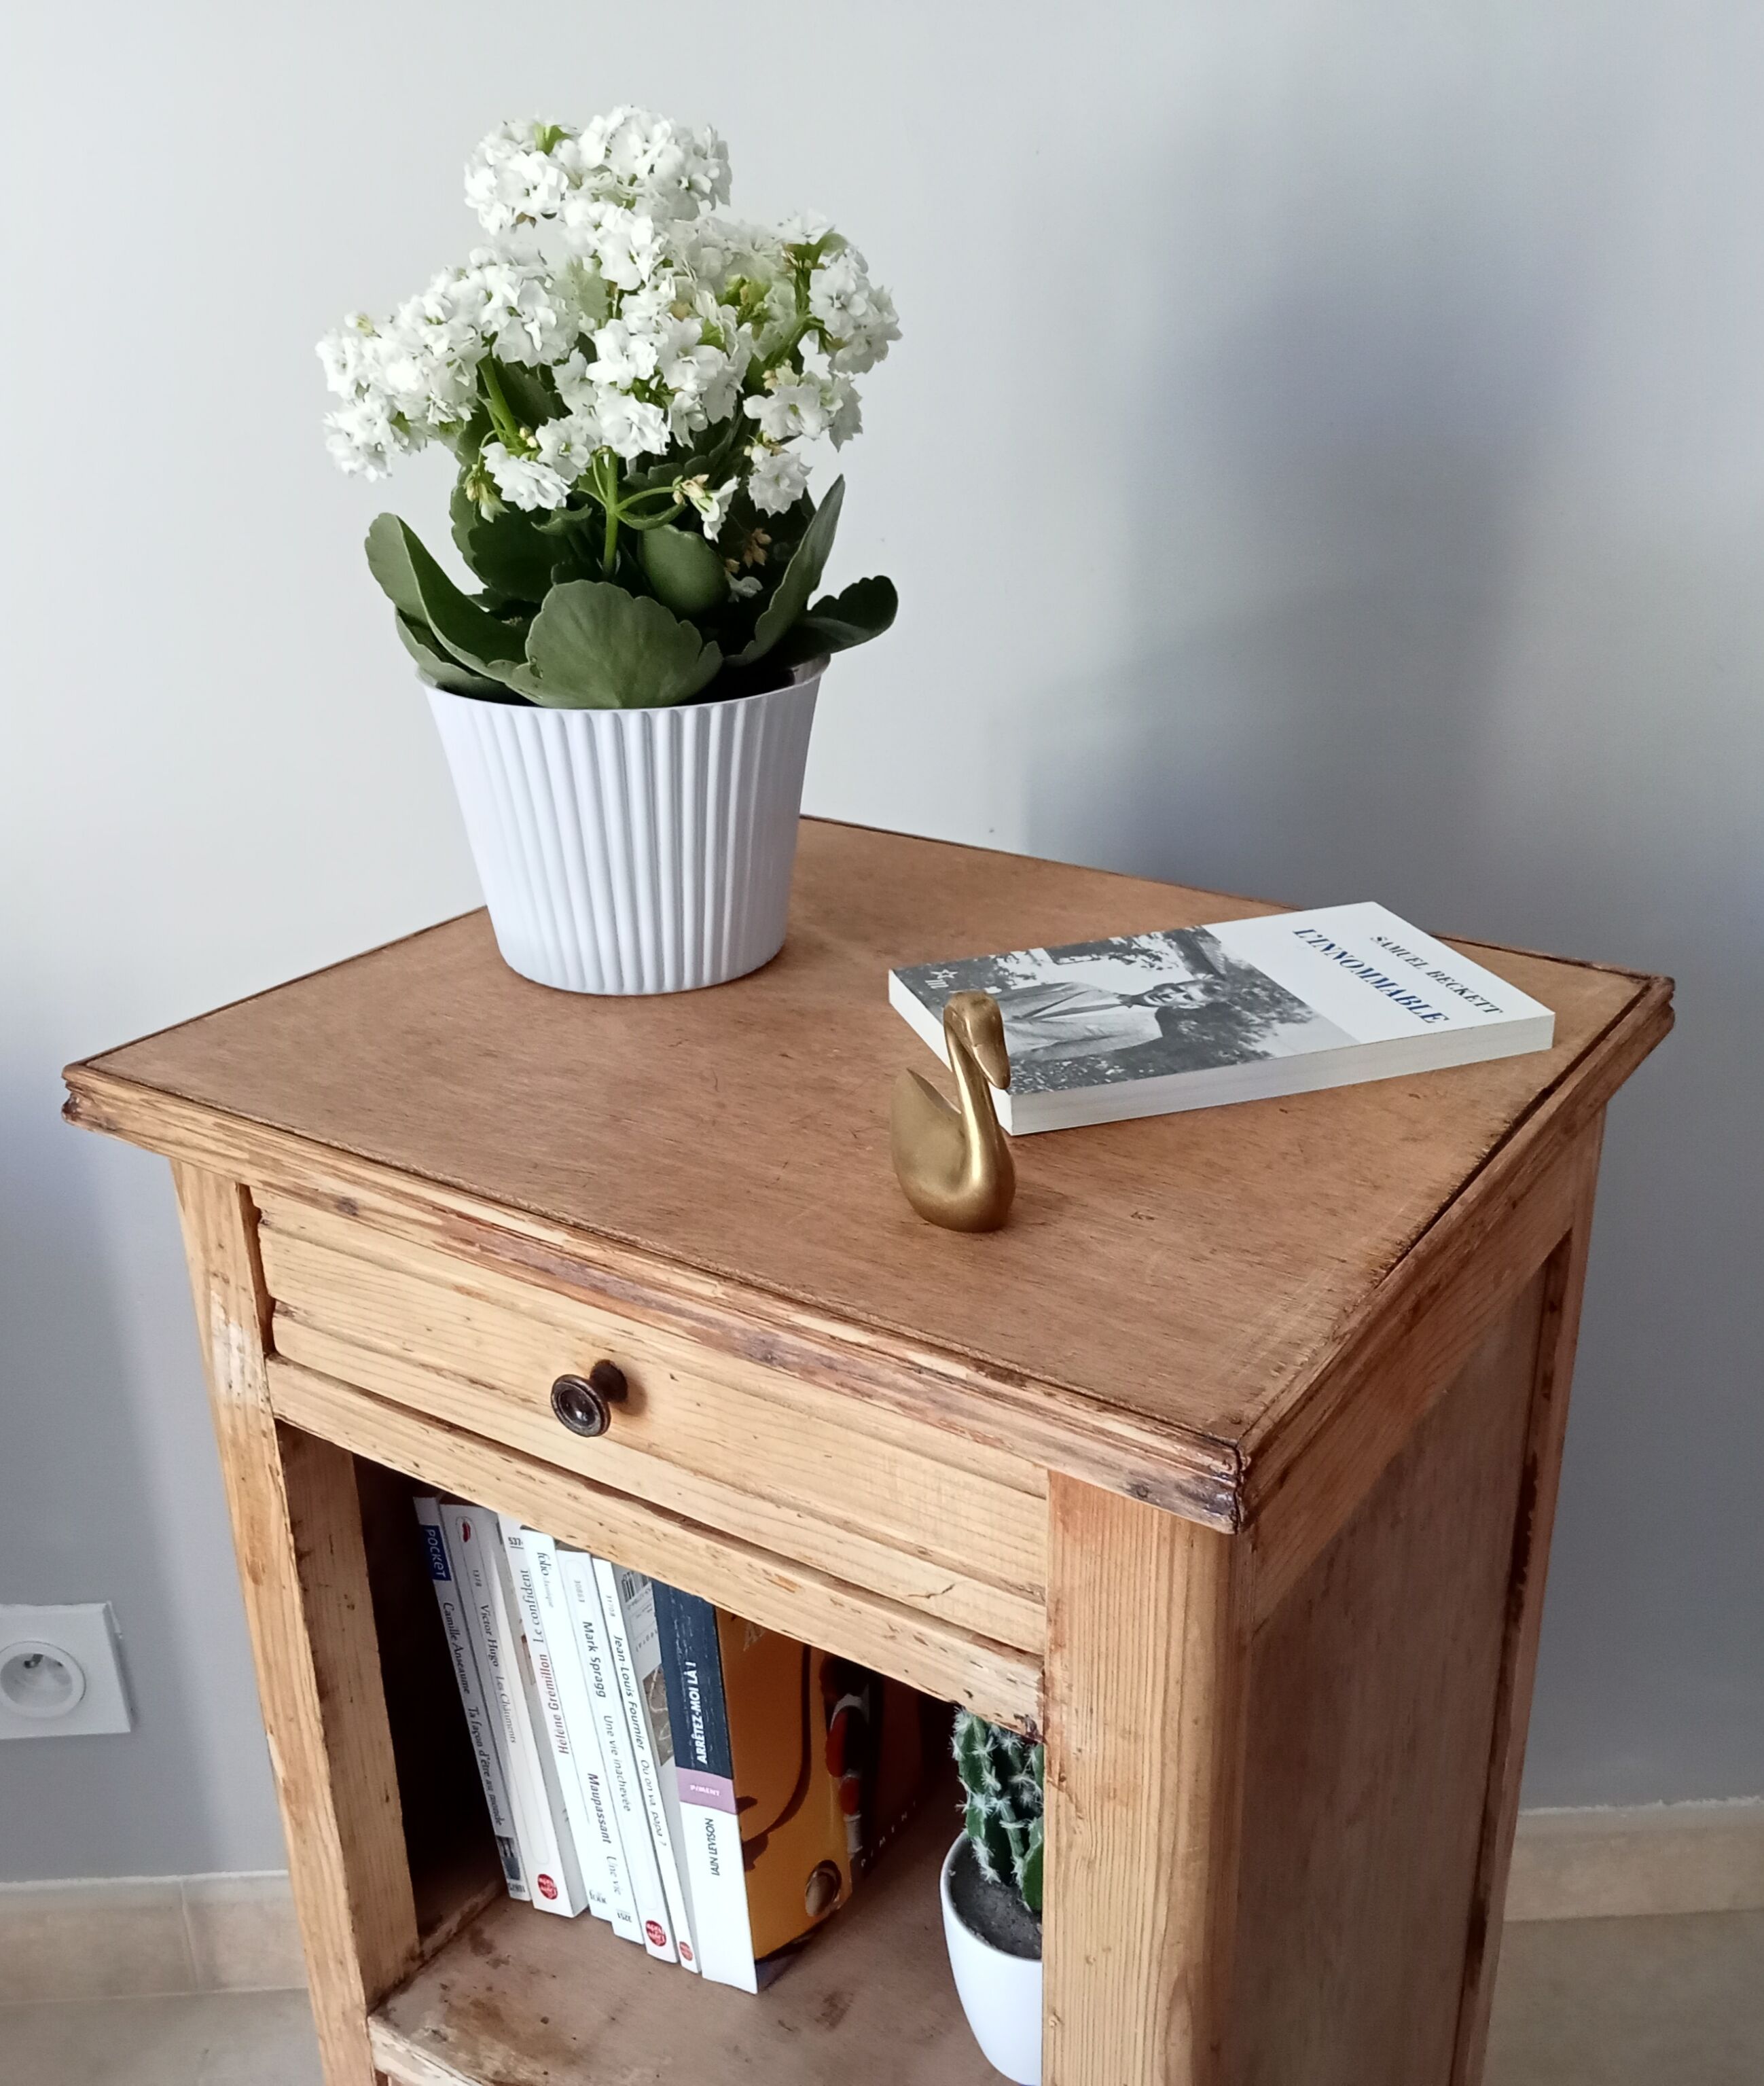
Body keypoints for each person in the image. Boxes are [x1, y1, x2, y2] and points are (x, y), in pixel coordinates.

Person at [992, 975, 1224, 1064]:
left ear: (1190, 1006)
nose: (1170, 995)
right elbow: (995, 999)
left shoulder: (1145, 1031)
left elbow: (1056, 1053)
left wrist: (1007, 1051)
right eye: (1176, 988)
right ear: (1165, 984)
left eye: (1185, 997)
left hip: (994, 1048)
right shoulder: (1079, 986)